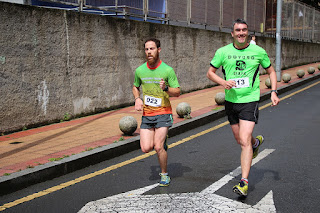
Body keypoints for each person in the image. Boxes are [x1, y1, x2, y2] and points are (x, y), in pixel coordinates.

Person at [206, 19, 280, 196]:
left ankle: (244, 182)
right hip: (231, 102)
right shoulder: (223, 52)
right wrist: (223, 82)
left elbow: (271, 71)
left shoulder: (258, 51)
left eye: (244, 30)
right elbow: (210, 73)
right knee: (241, 140)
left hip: (249, 100)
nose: (241, 33)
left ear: (248, 33)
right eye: (237, 30)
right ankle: (256, 143)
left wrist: (273, 91)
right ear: (232, 33)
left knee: (244, 139)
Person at [132, 38, 180, 187]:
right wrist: (137, 98)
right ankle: (161, 140)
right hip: (147, 114)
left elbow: (177, 92)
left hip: (163, 113)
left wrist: (166, 88)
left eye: (152, 49)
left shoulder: (167, 70)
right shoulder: (140, 70)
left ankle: (164, 175)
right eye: (146, 49)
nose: (149, 52)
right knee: (146, 148)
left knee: (158, 146)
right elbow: (135, 86)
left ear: (159, 50)